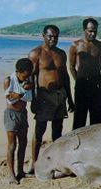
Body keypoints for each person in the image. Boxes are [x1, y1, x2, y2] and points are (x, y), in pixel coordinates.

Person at [27, 25, 75, 174]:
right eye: (50, 36)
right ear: (43, 35)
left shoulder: (61, 54)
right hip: (44, 97)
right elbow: (31, 79)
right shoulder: (36, 54)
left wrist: (70, 99)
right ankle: (33, 164)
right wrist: (33, 99)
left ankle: (55, 162)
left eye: (55, 36)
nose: (53, 39)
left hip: (60, 95)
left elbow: (65, 76)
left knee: (57, 131)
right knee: (39, 131)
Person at [69, 18, 101, 130]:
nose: (92, 33)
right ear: (84, 30)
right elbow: (71, 66)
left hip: (97, 84)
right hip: (82, 85)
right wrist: (79, 80)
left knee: (97, 120)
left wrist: (94, 79)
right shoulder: (76, 45)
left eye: (95, 31)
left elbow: (99, 65)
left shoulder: (100, 45)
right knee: (79, 119)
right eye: (90, 31)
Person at [3, 58, 33, 184]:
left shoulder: (28, 80)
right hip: (11, 114)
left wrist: (19, 94)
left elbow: (30, 98)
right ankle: (11, 174)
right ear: (18, 72)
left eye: (29, 74)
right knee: (12, 145)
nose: (27, 78)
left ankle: (20, 171)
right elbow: (10, 99)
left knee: (23, 143)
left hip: (23, 114)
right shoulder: (8, 80)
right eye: (25, 75)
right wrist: (22, 93)